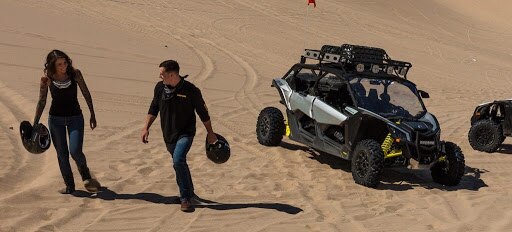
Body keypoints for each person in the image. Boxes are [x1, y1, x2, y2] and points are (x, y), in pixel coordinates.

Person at [140, 60, 217, 212]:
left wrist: (210, 133)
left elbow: (203, 113)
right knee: (179, 164)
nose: (159, 76)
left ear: (172, 74)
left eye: (162, 74)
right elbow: (153, 108)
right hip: (168, 134)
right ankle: (190, 192)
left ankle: (185, 199)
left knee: (178, 160)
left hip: (186, 133)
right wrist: (145, 127)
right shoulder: (159, 88)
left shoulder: (191, 90)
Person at [33, 49, 100, 194]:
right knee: (62, 154)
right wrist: (35, 123)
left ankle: (86, 175)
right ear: (52, 66)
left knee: (75, 151)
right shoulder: (46, 79)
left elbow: (86, 93)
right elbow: (42, 101)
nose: (63, 66)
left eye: (64, 62)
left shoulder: (75, 73)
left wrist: (92, 114)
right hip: (55, 120)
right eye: (59, 64)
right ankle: (70, 186)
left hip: (75, 118)